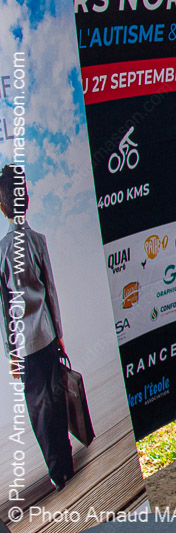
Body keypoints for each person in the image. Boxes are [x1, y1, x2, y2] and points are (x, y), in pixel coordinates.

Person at [0, 164, 74, 490]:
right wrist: (59, 334)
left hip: (24, 345)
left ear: (2, 207)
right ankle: (67, 460)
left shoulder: (1, 252)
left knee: (39, 407)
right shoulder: (38, 241)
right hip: (47, 334)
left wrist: (10, 352)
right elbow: (51, 292)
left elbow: (4, 310)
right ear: (26, 200)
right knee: (56, 397)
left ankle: (56, 472)